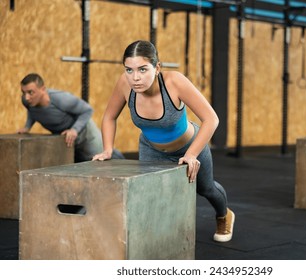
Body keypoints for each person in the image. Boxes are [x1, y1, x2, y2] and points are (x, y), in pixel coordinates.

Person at [92, 40, 234, 242]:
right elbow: (109, 117)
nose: (135, 77)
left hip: (189, 146)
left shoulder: (174, 82)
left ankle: (223, 215)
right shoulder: (125, 84)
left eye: (142, 69)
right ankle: (160, 239)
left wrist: (191, 154)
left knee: (206, 189)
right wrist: (107, 149)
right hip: (152, 149)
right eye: (129, 70)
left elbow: (211, 119)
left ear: (157, 67)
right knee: (151, 194)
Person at [17, 73, 125, 162]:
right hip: (68, 139)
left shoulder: (61, 99)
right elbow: (32, 111)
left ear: (43, 89)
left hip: (85, 133)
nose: (26, 97)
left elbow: (87, 110)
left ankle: (125, 164)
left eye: (31, 92)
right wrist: (27, 127)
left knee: (101, 160)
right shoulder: (27, 101)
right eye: (24, 92)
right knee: (79, 165)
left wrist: (74, 130)